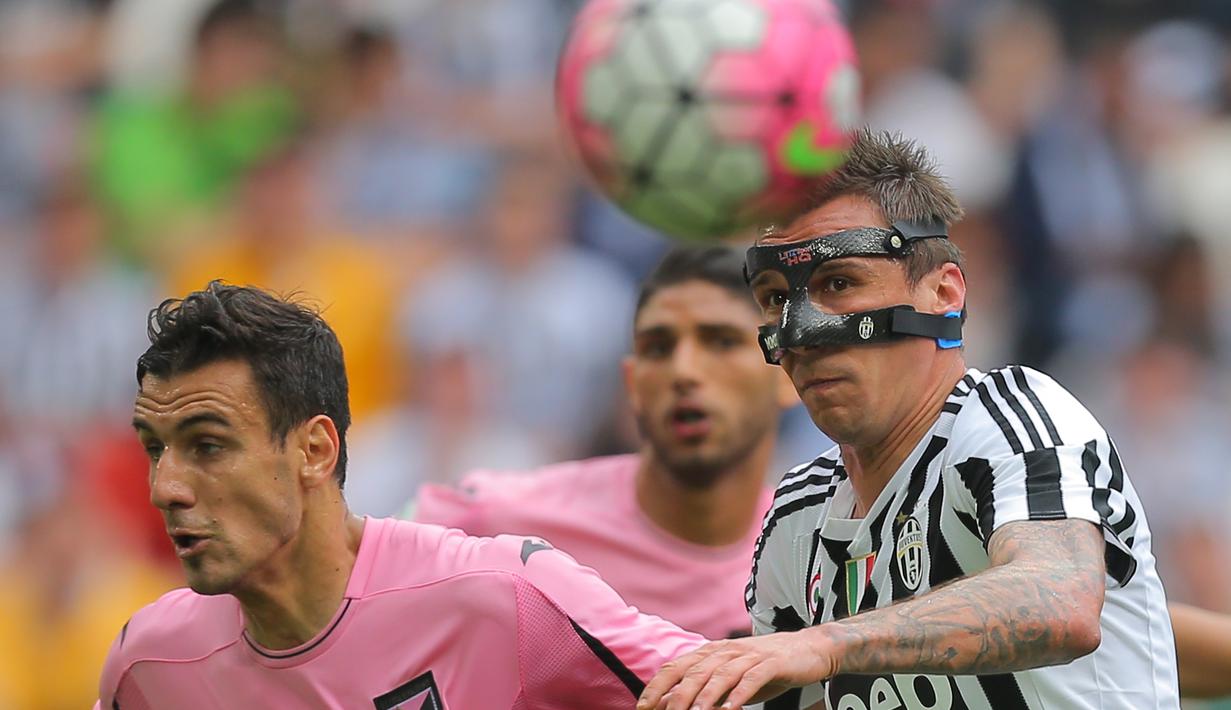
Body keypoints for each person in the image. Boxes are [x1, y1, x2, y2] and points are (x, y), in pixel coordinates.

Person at [639, 129, 1178, 709]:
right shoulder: (797, 519)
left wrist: (824, 645)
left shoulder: (1011, 416)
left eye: (839, 283)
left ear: (943, 292)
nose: (798, 333)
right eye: (774, 299)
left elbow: (1060, 602)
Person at [95, 281, 702, 709]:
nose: (164, 488)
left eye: (207, 446)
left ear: (314, 451)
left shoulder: (506, 596)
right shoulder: (151, 664)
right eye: (156, 448)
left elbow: (745, 692)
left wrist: (804, 646)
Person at [411, 246, 800, 640]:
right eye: (658, 348)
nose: (683, 371)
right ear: (632, 386)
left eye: (721, 342)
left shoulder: (810, 559)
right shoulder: (493, 521)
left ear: (788, 373)